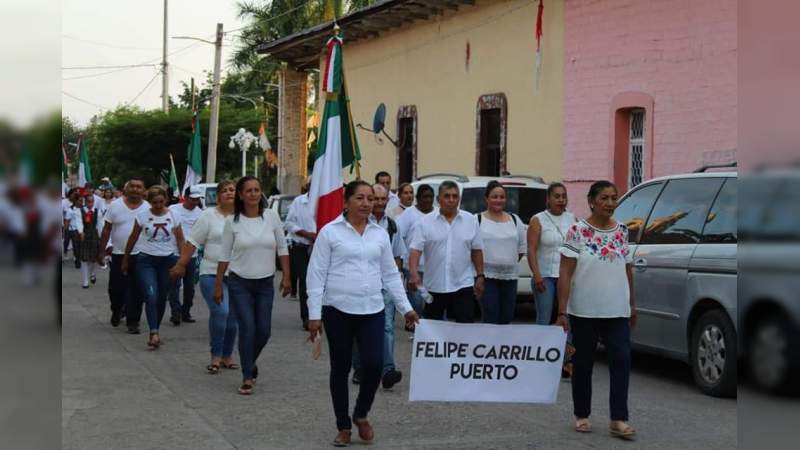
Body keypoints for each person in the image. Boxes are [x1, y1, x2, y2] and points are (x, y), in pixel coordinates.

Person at [306, 180, 419, 447]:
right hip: (338, 309)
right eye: (360, 198)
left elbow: (390, 275)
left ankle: (361, 413)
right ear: (346, 202)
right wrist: (314, 314)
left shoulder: (379, 234)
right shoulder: (330, 232)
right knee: (341, 368)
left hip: (372, 308)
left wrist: (407, 309)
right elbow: (316, 274)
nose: (367, 203)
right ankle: (343, 425)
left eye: (370, 199)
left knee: (374, 365)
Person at [556, 180, 636, 440]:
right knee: (583, 364)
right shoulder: (577, 231)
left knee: (621, 362)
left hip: (617, 310)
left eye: (614, 198)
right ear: (591, 201)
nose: (610, 203)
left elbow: (627, 268)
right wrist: (562, 311)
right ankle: (582, 414)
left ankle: (618, 419)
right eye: (604, 198)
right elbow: (566, 272)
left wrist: (631, 303)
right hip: (584, 310)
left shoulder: (622, 231)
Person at [215, 176, 290, 395]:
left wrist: (286, 276)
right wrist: (219, 284)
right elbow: (224, 254)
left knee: (263, 331)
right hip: (239, 283)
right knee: (247, 328)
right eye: (248, 191)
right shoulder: (233, 221)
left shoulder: (271, 216)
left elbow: (283, 248)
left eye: (257, 190)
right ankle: (247, 375)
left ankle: (249, 360)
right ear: (240, 194)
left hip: (265, 282)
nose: (253, 194)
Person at [171, 180, 239, 374]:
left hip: (238, 274)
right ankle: (215, 356)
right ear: (218, 196)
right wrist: (181, 264)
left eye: (233, 190)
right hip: (211, 272)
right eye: (225, 191)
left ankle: (227, 355)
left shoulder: (244, 216)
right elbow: (192, 242)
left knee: (233, 318)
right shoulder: (208, 216)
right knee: (221, 312)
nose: (229, 193)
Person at [351, 183, 406, 389]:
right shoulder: (356, 223)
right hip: (362, 285)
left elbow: (397, 256)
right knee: (358, 329)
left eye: (383, 200)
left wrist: (398, 282)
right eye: (376, 199)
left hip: (386, 285)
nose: (380, 204)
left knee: (387, 327)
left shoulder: (391, 225)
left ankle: (388, 369)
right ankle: (359, 367)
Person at [408, 181, 485, 323]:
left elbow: (477, 250)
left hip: (463, 284)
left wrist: (480, 275)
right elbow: (415, 250)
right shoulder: (425, 222)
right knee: (433, 328)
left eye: (455, 196)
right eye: (447, 196)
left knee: (465, 327)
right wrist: (413, 273)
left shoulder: (471, 220)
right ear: (438, 200)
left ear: (459, 199)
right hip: (434, 285)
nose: (451, 200)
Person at [122, 186, 184, 349]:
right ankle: (153, 332)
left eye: (161, 202)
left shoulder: (174, 215)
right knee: (151, 295)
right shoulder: (142, 216)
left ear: (166, 201)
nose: (158, 205)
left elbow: (180, 240)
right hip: (146, 260)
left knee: (162, 297)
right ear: (149, 203)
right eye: (154, 202)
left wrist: (181, 263)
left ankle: (156, 327)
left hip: (167, 260)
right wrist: (126, 259)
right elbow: (133, 237)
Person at [528, 182, 578, 377]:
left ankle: (566, 361)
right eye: (556, 196)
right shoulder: (538, 219)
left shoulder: (572, 218)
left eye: (563, 196)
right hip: (546, 276)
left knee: (566, 317)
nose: (560, 200)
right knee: (544, 317)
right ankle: (541, 358)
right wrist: (537, 274)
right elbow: (531, 249)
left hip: (567, 276)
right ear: (548, 199)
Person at [98, 178, 150, 333]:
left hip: (141, 255)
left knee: (137, 290)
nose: (135, 189)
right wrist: (102, 250)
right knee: (116, 289)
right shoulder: (115, 206)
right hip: (119, 254)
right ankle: (117, 309)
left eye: (138, 187)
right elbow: (106, 229)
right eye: (132, 186)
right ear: (125, 189)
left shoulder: (148, 208)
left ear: (143, 190)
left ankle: (133, 321)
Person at [476, 181, 526, 324]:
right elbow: (473, 250)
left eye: (502, 197)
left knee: (507, 318)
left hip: (510, 278)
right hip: (486, 278)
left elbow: (522, 247)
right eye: (494, 197)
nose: (498, 200)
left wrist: (507, 262)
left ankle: (502, 346)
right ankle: (488, 346)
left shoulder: (515, 220)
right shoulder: (477, 220)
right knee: (490, 317)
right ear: (486, 199)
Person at [396, 184, 436, 316]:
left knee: (433, 303)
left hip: (433, 268)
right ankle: (417, 329)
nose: (427, 200)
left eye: (430, 197)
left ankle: (428, 331)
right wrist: (401, 263)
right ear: (417, 198)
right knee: (417, 302)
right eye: (424, 197)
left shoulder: (437, 213)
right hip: (413, 267)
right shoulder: (409, 213)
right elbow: (400, 236)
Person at [167, 185, 204, 325]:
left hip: (191, 255)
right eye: (192, 199)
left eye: (197, 199)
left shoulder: (200, 213)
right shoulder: (173, 209)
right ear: (185, 197)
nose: (195, 202)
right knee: (174, 285)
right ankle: (175, 312)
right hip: (175, 253)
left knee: (189, 287)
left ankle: (186, 311)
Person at [284, 178, 316, 330]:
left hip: (320, 248)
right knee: (305, 281)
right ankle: (307, 316)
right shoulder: (298, 202)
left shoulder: (326, 201)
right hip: (301, 247)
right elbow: (289, 223)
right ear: (307, 186)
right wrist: (306, 234)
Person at [77, 192, 103, 288]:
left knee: (92, 259)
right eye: (88, 202)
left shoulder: (97, 211)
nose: (90, 204)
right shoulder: (79, 211)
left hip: (94, 236)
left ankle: (92, 273)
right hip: (84, 235)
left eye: (92, 202)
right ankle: (85, 281)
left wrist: (102, 238)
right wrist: (81, 231)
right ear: (85, 202)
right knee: (84, 258)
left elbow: (100, 225)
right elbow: (78, 222)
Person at [63, 189, 84, 269]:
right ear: (75, 201)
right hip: (73, 230)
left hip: (82, 230)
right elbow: (67, 222)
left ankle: (80, 258)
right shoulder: (70, 210)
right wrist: (65, 231)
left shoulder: (83, 209)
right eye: (79, 201)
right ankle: (77, 260)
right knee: (76, 246)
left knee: (81, 246)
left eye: (82, 201)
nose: (81, 202)